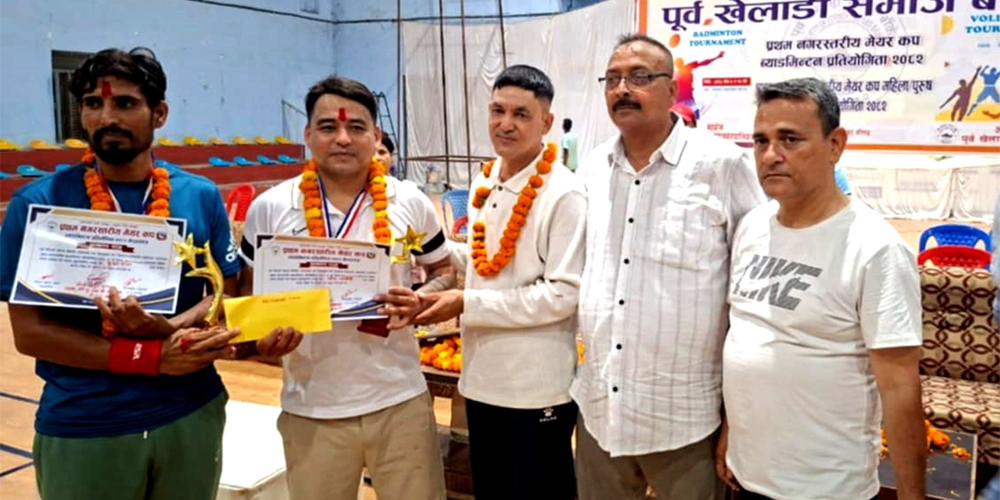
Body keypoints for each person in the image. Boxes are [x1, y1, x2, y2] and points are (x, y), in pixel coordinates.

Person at [0, 47, 270, 500]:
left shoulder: (199, 194)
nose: (107, 117)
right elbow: (30, 334)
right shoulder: (37, 205)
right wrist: (150, 356)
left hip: (191, 410)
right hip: (86, 421)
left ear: (159, 113)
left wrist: (172, 327)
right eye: (93, 103)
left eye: (124, 103)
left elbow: (227, 289)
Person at [238, 75, 454, 500]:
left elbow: (444, 269)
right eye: (328, 127)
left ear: (376, 135)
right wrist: (262, 339)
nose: (342, 138)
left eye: (356, 127)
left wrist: (420, 300)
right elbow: (247, 297)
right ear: (307, 134)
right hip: (311, 404)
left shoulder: (409, 201)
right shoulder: (270, 208)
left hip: (399, 400)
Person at [571, 34, 765, 500]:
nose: (622, 89)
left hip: (684, 420)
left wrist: (738, 417)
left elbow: (752, 290)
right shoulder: (593, 167)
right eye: (612, 79)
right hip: (600, 411)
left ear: (672, 90)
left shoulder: (721, 165)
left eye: (639, 77)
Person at [716, 78, 926, 500]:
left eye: (790, 139)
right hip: (747, 475)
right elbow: (746, 340)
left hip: (827, 487)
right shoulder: (752, 226)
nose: (770, 155)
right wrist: (730, 431)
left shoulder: (875, 248)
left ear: (835, 145)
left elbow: (900, 389)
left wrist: (911, 494)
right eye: (761, 141)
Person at [415, 64, 586, 500]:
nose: (505, 124)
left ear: (546, 122)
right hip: (481, 378)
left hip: (535, 387)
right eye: (497, 110)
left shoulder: (564, 193)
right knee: (490, 490)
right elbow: (484, 262)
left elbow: (562, 295)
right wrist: (427, 249)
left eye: (521, 114)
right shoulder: (486, 179)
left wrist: (466, 302)